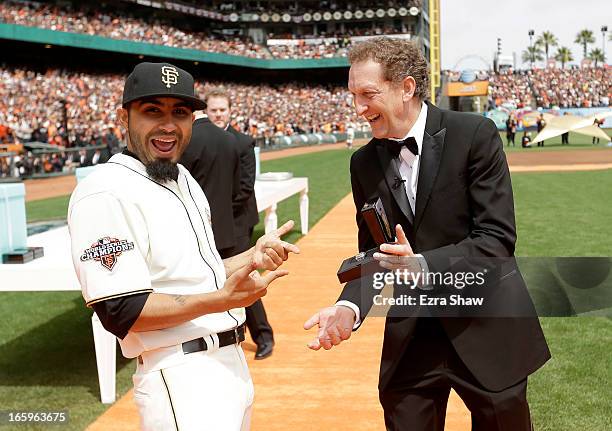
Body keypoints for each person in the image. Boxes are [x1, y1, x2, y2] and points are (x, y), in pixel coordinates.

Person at [304, 38, 550, 431]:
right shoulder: (363, 162)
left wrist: (422, 265)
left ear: (406, 88)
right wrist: (350, 307)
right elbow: (374, 252)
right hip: (413, 337)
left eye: (368, 94)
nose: (359, 108)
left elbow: (496, 239)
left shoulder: (475, 135)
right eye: (353, 95)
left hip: (484, 325)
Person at [68, 62, 299, 430]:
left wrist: (248, 258)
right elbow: (121, 310)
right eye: (152, 110)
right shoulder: (104, 192)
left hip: (228, 364)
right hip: (180, 375)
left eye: (180, 112)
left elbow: (196, 272)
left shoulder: (183, 178)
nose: (168, 125)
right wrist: (222, 300)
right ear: (123, 117)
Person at [205, 88, 275, 360]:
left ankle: (264, 336)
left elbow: (244, 188)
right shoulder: (199, 142)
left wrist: (213, 213)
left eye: (222, 109)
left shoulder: (242, 142)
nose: (219, 114)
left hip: (236, 225)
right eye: (214, 110)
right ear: (207, 112)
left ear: (230, 111)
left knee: (244, 280)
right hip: (211, 224)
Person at [179, 98, 241, 256]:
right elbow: (236, 189)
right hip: (226, 232)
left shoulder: (184, 140)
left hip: (194, 234)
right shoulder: (230, 139)